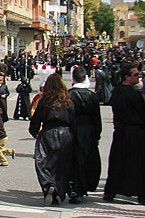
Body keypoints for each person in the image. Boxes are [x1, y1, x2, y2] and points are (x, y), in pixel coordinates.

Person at [29, 74, 75, 205]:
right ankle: (59, 190)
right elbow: (73, 121)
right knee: (62, 165)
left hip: (48, 133)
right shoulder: (68, 102)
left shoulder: (44, 102)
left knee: (44, 163)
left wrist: (35, 132)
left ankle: (48, 184)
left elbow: (36, 120)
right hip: (65, 133)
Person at [104, 63, 145, 205]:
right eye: (135, 74)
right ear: (127, 77)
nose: (138, 76)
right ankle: (140, 193)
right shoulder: (134, 95)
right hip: (135, 132)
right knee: (137, 164)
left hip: (121, 131)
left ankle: (110, 192)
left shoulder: (117, 91)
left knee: (118, 162)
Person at [68, 67, 102, 204]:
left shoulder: (69, 94)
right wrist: (97, 134)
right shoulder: (92, 95)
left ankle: (77, 189)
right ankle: (86, 186)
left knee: (75, 161)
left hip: (73, 129)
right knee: (88, 159)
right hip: (88, 130)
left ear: (73, 78)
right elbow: (96, 117)